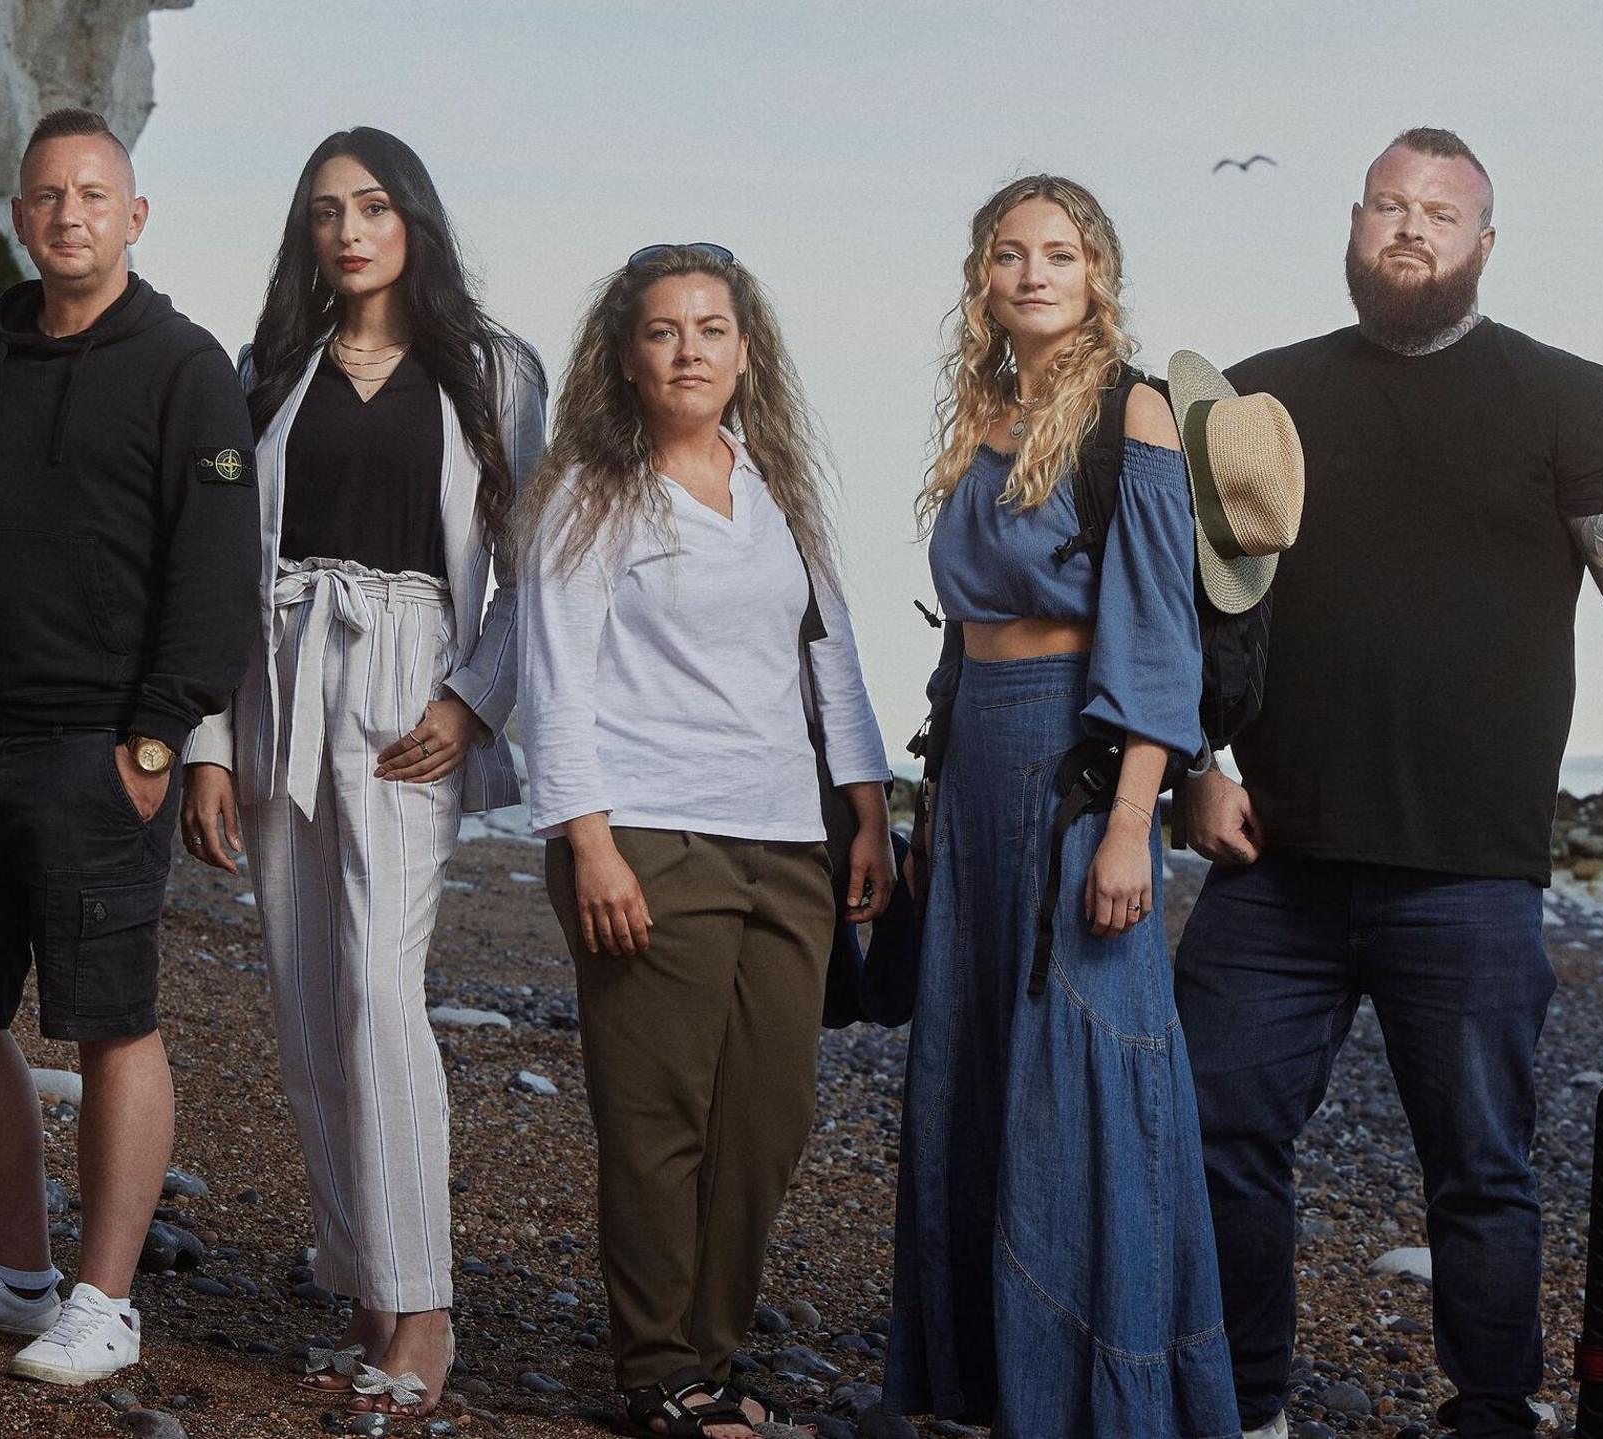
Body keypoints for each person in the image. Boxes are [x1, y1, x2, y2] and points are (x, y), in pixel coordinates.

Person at [1175, 128, 1603, 1439]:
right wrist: (1191, 765)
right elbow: (1186, 609)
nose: (1411, 229)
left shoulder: (1572, 398)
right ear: (1355, 226)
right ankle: (1249, 1403)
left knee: (1482, 1168)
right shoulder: (1258, 399)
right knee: (1212, 1132)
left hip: (1471, 869)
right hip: (1277, 857)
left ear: (1484, 243)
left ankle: (1491, 1407)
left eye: (1441, 213)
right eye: (1388, 207)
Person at [0, 106, 256, 1388]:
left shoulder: (187, 365)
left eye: (93, 195)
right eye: (45, 197)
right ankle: (17, 1269)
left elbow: (214, 572)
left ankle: (104, 1297)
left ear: (133, 216)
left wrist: (156, 737)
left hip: (94, 749)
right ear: (18, 216)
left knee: (110, 1020)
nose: (67, 216)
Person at [176, 126, 546, 1419]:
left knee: (382, 991)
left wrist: (472, 696)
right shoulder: (264, 369)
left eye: (374, 205)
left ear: (415, 222)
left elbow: (526, 562)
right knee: (305, 999)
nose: (349, 229)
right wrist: (209, 747)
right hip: (277, 681)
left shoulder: (494, 370)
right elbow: (219, 561)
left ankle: (426, 1308)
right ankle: (365, 1290)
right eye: (326, 209)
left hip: (406, 699)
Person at [880, 176, 1240, 1439]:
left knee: (1081, 1065)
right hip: (975, 755)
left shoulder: (1129, 408)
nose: (1034, 274)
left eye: (1061, 254)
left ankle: (1099, 1391)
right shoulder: (980, 408)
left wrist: (1135, 820)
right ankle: (983, 1385)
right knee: (974, 1060)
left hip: (1074, 763)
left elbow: (1157, 635)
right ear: (982, 275)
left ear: (1098, 274)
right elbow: (958, 637)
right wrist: (926, 808)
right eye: (1009, 254)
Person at [518, 244, 893, 1439]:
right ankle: (657, 1369)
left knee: (767, 1116)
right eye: (665, 330)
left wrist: (866, 801)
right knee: (657, 1113)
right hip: (646, 833)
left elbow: (828, 647)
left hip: (786, 840)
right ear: (624, 357)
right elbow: (554, 678)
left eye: (713, 328)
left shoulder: (774, 483)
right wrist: (586, 839)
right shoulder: (589, 490)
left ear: (746, 351)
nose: (690, 350)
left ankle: (711, 1355)